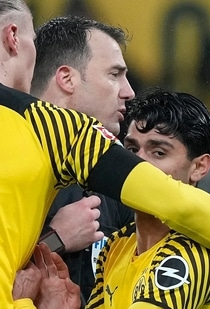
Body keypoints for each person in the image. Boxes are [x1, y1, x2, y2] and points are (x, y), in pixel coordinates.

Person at [0, 1, 210, 307]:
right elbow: (173, 201)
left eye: (158, 151)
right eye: (114, 74)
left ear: (201, 166)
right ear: (13, 37)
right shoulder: (54, 128)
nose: (129, 92)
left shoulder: (119, 235)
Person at [87, 87, 210, 308]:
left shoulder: (197, 252)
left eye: (159, 153)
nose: (135, 165)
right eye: (132, 150)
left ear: (199, 167)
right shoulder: (118, 244)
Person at [31, 15, 136, 305]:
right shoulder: (11, 162)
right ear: (67, 79)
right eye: (114, 75)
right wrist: (55, 239)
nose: (129, 92)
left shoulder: (115, 176)